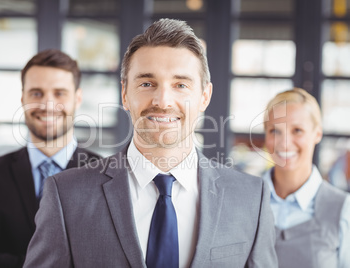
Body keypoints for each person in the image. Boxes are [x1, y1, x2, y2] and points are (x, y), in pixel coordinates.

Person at [24, 19, 277, 268]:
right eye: (147, 83)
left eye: (180, 85)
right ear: (125, 94)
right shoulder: (66, 195)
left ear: (204, 96)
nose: (163, 100)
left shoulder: (251, 198)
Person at [0, 49, 101, 268]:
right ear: (23, 98)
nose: (47, 104)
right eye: (36, 93)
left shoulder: (104, 175)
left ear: (77, 98)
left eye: (59, 93)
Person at [262, 88, 350, 268]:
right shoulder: (242, 200)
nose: (284, 142)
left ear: (317, 133)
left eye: (297, 130)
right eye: (275, 131)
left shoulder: (343, 209)